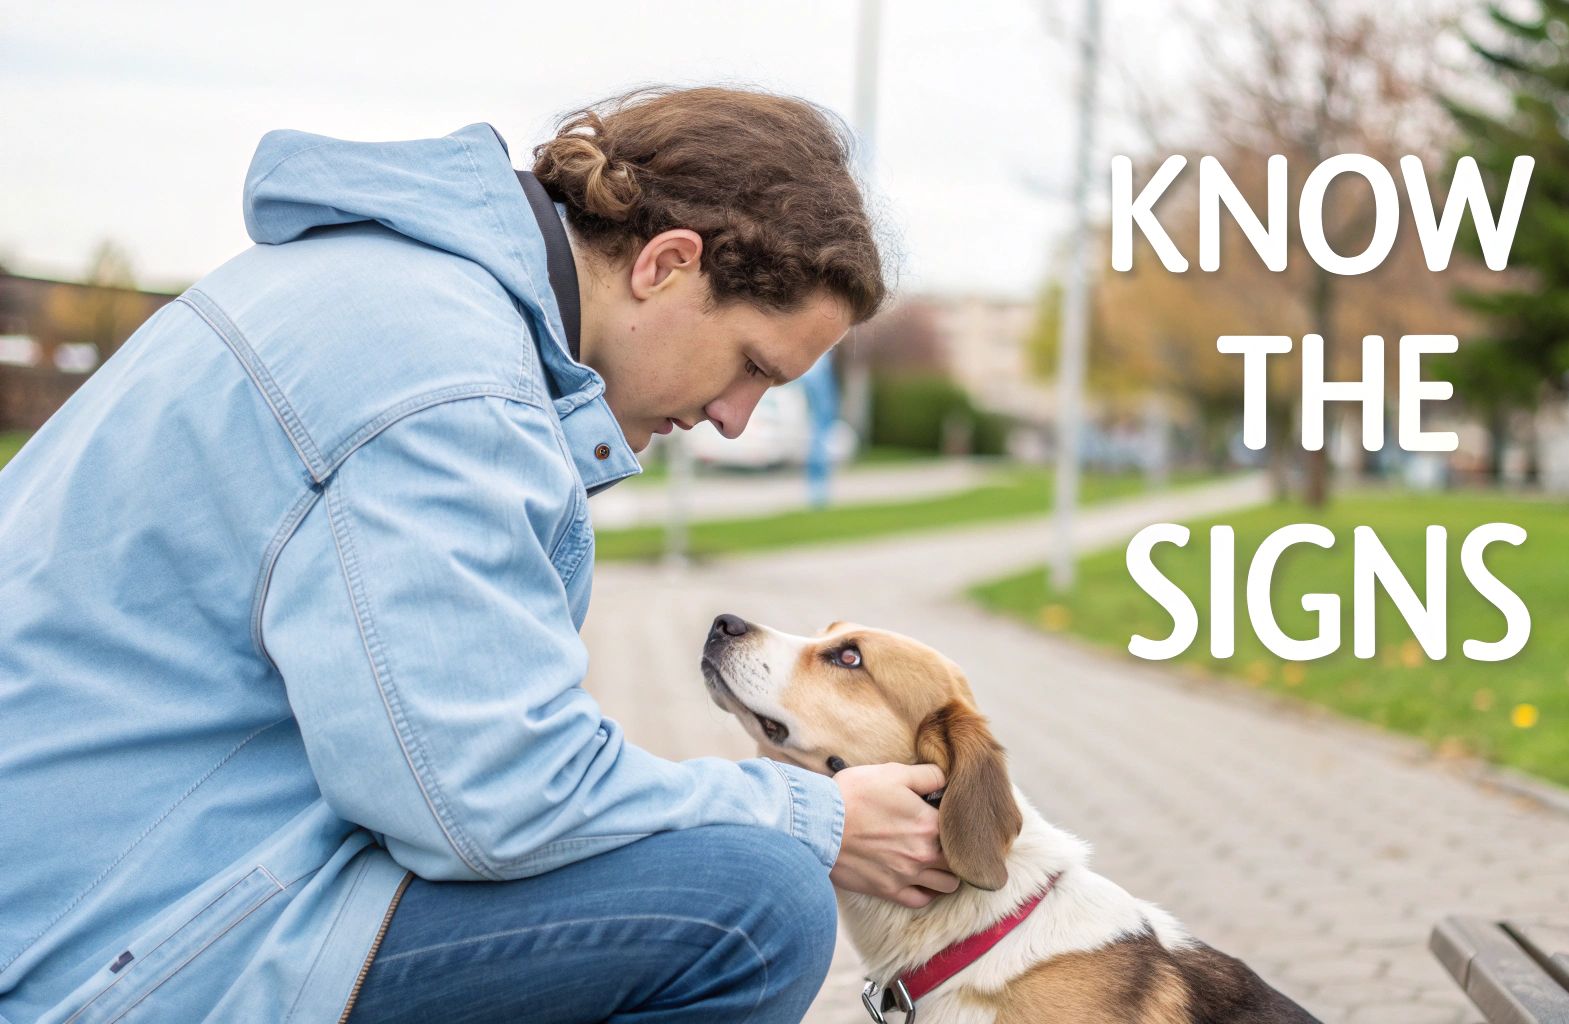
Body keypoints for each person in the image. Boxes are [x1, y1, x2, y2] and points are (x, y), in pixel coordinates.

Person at [0, 87, 956, 1024]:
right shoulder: (445, 380)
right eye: (751, 364)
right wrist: (812, 818)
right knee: (753, 905)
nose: (735, 421)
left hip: (119, 876)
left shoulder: (399, 291)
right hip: (93, 946)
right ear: (667, 264)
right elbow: (485, 798)